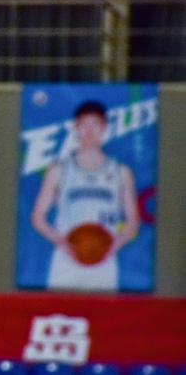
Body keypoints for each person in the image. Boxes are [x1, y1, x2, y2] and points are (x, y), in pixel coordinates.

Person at [30, 100, 140, 291]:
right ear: (76, 127)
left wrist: (114, 245)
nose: (89, 131)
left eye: (95, 125)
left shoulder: (121, 171)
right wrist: (60, 241)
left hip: (104, 263)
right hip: (66, 261)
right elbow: (37, 217)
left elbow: (133, 220)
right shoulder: (59, 170)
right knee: (62, 308)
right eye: (84, 125)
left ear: (104, 128)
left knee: (103, 310)